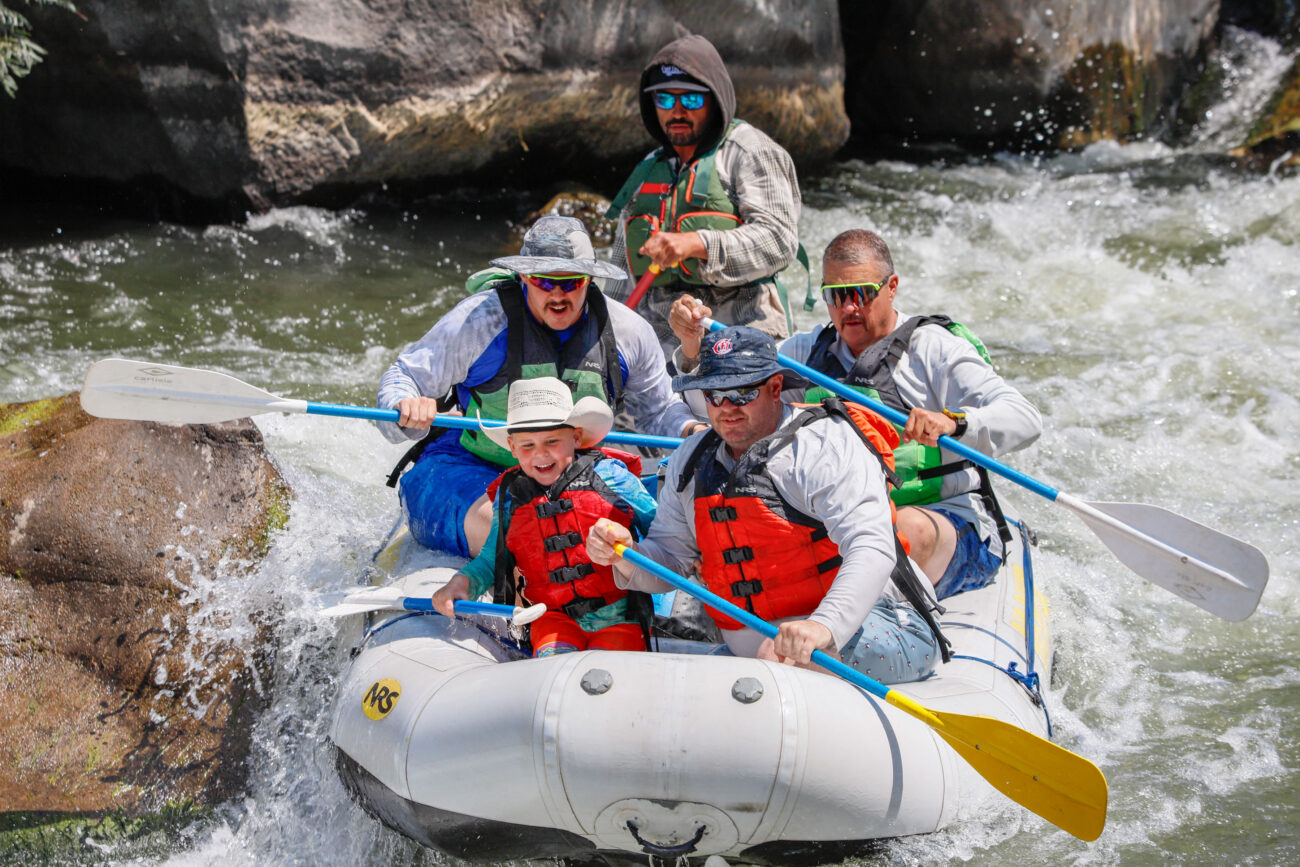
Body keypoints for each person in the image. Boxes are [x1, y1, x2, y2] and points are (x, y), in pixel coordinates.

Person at [669, 229, 1042, 599]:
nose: (848, 308)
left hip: (942, 517)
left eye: (861, 293)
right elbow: (722, 409)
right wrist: (691, 348)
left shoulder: (934, 350)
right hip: (836, 520)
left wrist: (955, 422)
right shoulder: (802, 352)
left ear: (892, 286)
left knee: (898, 528)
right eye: (836, 296)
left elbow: (1024, 418)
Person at [587, 327, 946, 684]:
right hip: (761, 655)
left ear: (775, 388)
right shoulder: (688, 462)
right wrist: (626, 555)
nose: (727, 408)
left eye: (742, 392)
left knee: (777, 656)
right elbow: (670, 560)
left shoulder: (825, 445)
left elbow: (872, 546)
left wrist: (823, 626)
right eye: (714, 394)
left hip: (886, 624)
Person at [377, 215, 700, 558]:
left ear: (590, 279)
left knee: (634, 532)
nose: (558, 294)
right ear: (523, 278)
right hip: (470, 467)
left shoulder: (628, 332)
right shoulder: (480, 322)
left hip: (574, 471)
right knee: (515, 529)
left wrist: (689, 429)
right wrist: (405, 405)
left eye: (572, 281)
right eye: (545, 282)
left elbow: (659, 412)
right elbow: (403, 377)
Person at [603, 33, 802, 360]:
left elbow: (779, 241)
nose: (677, 112)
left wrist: (697, 244)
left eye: (691, 101)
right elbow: (622, 272)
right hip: (660, 340)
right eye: (665, 101)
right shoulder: (648, 169)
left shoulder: (752, 152)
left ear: (715, 100)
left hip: (741, 331)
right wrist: (605, 335)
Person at [431, 378, 657, 656]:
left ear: (575, 438)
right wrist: (461, 584)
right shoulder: (510, 495)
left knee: (608, 673)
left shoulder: (612, 478)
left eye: (552, 441)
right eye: (527, 446)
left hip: (621, 615)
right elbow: (492, 559)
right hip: (551, 617)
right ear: (512, 448)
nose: (541, 454)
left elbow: (662, 531)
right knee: (555, 664)